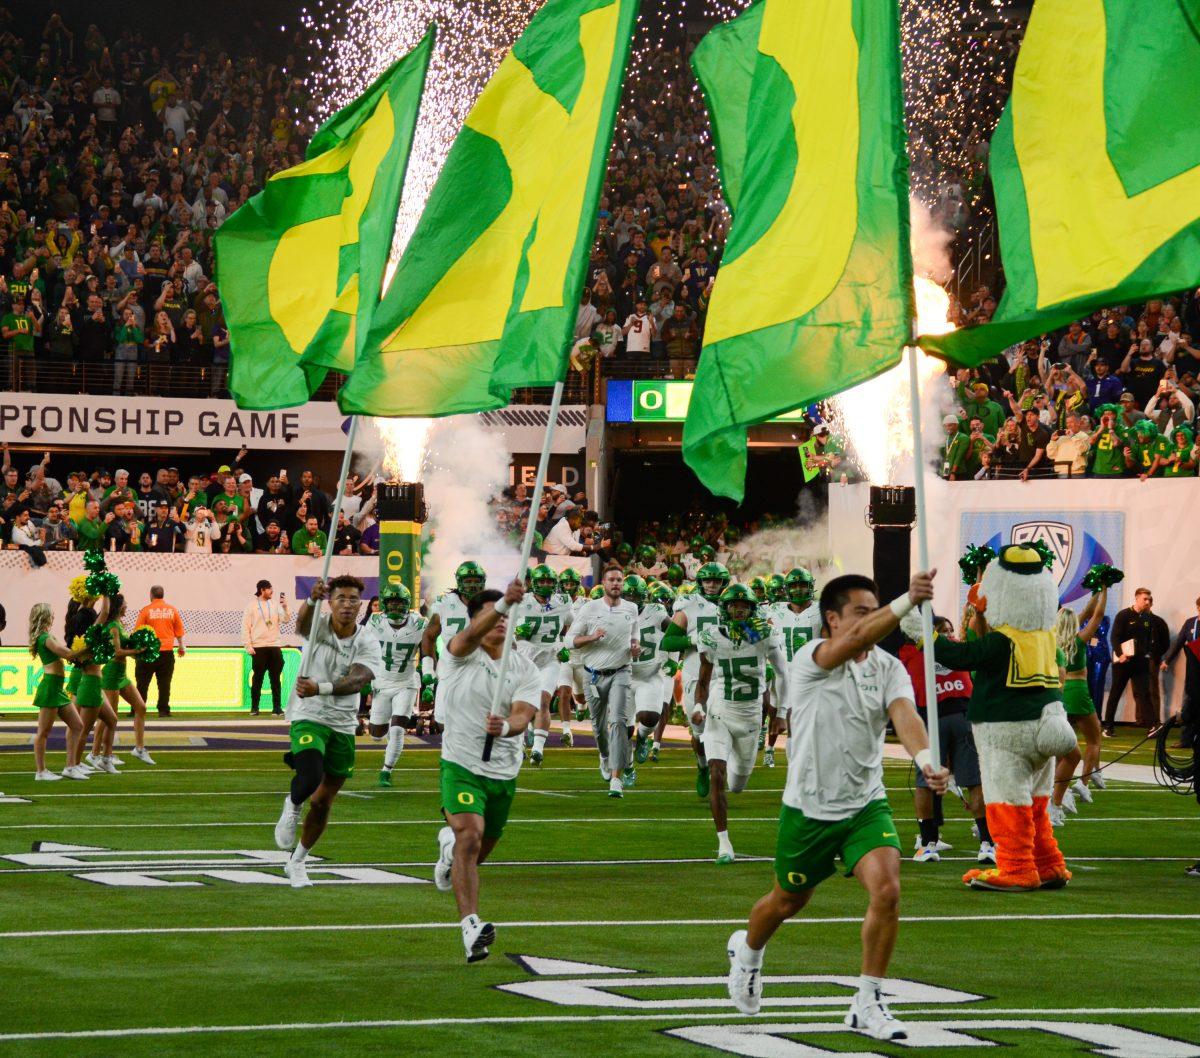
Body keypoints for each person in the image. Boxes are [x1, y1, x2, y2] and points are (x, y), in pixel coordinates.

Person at [724, 570, 946, 1042]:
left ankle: (868, 999)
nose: (872, 623)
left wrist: (926, 760)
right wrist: (908, 598)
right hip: (808, 809)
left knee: (887, 890)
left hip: (866, 805)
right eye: (862, 612)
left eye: (875, 609)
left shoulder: (886, 668)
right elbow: (861, 636)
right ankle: (747, 954)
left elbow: (904, 715)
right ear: (832, 619)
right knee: (786, 901)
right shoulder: (812, 658)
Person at [431, 579, 539, 963]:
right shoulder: (460, 654)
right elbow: (464, 639)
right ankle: (470, 926)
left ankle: (448, 856)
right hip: (461, 763)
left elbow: (525, 713)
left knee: (476, 851)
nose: (501, 621)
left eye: (507, 616)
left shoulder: (524, 666)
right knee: (470, 835)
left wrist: (507, 727)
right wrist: (503, 602)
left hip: (504, 770)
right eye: (493, 615)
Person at [273, 576, 380, 888]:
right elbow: (301, 627)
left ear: (361, 605)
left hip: (343, 723)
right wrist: (309, 600)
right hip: (309, 715)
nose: (347, 605)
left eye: (352, 599)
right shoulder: (318, 624)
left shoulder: (367, 640)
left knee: (323, 802)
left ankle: (299, 860)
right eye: (340, 598)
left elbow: (358, 680)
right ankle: (291, 806)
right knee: (309, 776)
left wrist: (319, 687)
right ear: (330, 602)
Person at [693, 583, 786, 864]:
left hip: (749, 718)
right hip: (719, 711)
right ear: (725, 609)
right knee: (717, 774)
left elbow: (784, 673)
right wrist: (699, 706)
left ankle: (738, 767)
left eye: (744, 605)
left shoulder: (762, 634)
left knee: (736, 785)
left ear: (752, 609)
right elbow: (704, 677)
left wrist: (780, 713)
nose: (739, 610)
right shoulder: (712, 635)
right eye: (734, 605)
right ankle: (724, 843)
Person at [897, 612, 991, 865]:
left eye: (951, 630)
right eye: (944, 630)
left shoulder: (910, 651)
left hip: (944, 718)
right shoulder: (942, 649)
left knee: (935, 780)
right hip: (952, 717)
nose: (950, 635)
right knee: (972, 780)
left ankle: (929, 843)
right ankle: (985, 842)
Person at [659, 561, 729, 797]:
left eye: (716, 580)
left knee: (722, 726)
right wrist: (692, 640)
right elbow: (667, 642)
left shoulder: (734, 605)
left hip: (723, 674)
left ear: (724, 582)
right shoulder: (688, 605)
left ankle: (718, 770)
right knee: (698, 732)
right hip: (693, 673)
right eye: (707, 580)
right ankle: (701, 766)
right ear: (700, 582)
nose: (711, 585)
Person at [572, 565, 642, 797]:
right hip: (592, 673)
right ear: (603, 583)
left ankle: (616, 779)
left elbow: (635, 634)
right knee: (599, 726)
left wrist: (635, 646)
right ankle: (604, 756)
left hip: (621, 671)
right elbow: (569, 641)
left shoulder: (631, 608)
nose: (616, 584)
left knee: (619, 721)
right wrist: (591, 637)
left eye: (619, 580)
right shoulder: (589, 608)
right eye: (612, 580)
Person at [1050, 584, 1110, 827]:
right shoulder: (1080, 639)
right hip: (1079, 691)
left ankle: (1055, 793)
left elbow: (1085, 612)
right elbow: (1094, 615)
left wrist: (1097, 590)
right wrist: (1104, 589)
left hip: (1059, 693)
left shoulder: (1051, 639)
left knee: (1060, 749)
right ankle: (1083, 784)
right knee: (1094, 740)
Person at [512, 564, 574, 766]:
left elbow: (572, 627)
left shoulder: (563, 602)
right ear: (534, 583)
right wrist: (517, 633)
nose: (546, 585)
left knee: (543, 701)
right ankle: (519, 744)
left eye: (549, 581)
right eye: (542, 581)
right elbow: (504, 631)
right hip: (525, 659)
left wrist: (566, 645)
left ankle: (537, 749)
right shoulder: (520, 602)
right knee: (520, 705)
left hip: (550, 658)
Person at [367, 584, 427, 786]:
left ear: (407, 604)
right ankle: (388, 747)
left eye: (399, 603)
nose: (395, 607)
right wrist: (365, 677)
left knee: (398, 729)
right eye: (391, 603)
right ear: (384, 604)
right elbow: (365, 649)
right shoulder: (375, 621)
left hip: (406, 682)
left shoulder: (419, 623)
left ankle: (386, 770)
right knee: (377, 734)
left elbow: (428, 648)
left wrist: (429, 674)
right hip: (382, 682)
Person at [763, 569, 823, 768]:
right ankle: (793, 768)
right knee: (790, 724)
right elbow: (758, 637)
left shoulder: (821, 610)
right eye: (794, 585)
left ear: (810, 586)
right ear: (787, 588)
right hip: (784, 675)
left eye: (802, 585)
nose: (798, 589)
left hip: (812, 676)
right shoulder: (774, 610)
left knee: (810, 728)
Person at [422, 562, 488, 722]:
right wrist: (428, 669)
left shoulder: (491, 604)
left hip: (480, 670)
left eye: (475, 580)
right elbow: (429, 636)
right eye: (468, 580)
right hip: (450, 669)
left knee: (479, 723)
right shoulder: (445, 603)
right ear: (459, 581)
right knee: (444, 722)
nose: (472, 585)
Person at [28, 603, 87, 781]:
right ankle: (41, 771)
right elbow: (66, 654)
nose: (54, 616)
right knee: (43, 732)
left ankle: (70, 767)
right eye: (52, 614)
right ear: (45, 616)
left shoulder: (48, 636)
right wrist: (88, 648)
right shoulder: (44, 637)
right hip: (50, 688)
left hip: (58, 689)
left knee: (77, 725)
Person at [1104, 588, 1170, 735]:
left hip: (1141, 663)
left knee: (1145, 693)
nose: (1147, 602)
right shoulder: (1124, 615)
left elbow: (1152, 641)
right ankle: (1108, 726)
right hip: (1123, 662)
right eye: (1144, 599)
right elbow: (1115, 637)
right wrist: (1120, 654)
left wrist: (1151, 653)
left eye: (1149, 599)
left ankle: (1153, 725)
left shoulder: (1148, 619)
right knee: (1116, 693)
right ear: (1137, 598)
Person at [98, 594, 156, 765]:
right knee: (110, 717)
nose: (127, 606)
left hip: (122, 675)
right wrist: (137, 652)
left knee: (141, 707)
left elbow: (125, 648)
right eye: (124, 604)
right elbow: (116, 653)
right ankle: (100, 754)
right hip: (111, 674)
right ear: (118, 606)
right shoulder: (113, 626)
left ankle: (138, 748)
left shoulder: (121, 625)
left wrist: (139, 649)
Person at [134, 586, 186, 716]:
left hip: (148, 652)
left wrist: (136, 650)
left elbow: (138, 631)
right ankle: (163, 710)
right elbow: (179, 630)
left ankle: (138, 709)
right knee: (164, 684)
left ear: (151, 595)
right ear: (163, 595)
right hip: (166, 652)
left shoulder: (146, 610)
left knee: (142, 683)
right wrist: (181, 646)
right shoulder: (172, 610)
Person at [243, 580, 292, 715]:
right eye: (270, 589)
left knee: (275, 679)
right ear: (262, 590)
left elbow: (286, 620)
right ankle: (254, 707)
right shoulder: (251, 606)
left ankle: (277, 708)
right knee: (257, 678)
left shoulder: (275, 605)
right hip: (258, 647)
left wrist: (285, 607)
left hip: (274, 646)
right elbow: (245, 627)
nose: (272, 592)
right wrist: (248, 645)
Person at [1163, 597, 1200, 751]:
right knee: (1189, 705)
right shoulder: (1190, 623)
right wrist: (1167, 660)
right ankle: (1185, 740)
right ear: (1197, 607)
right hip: (1193, 673)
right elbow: (1179, 643)